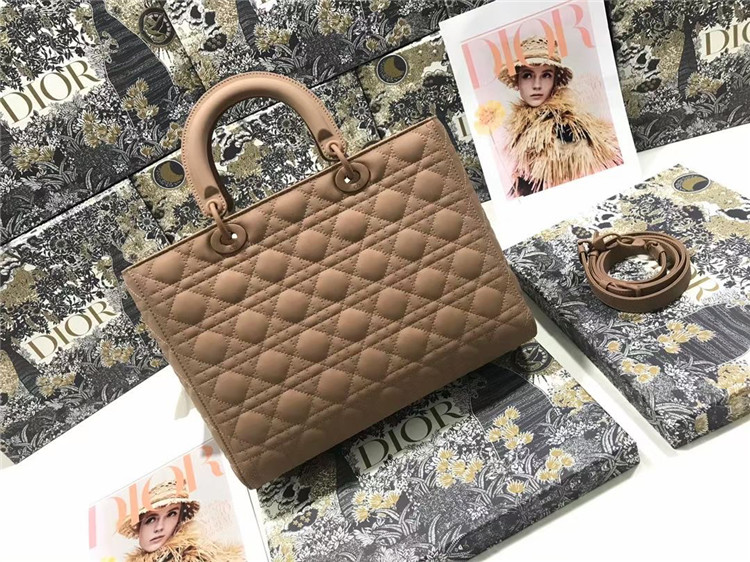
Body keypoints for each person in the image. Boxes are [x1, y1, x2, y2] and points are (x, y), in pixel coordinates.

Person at [498, 36, 623, 197]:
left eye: (546, 75)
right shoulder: (524, 128)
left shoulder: (564, 127)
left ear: (555, 81)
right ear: (518, 81)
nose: (537, 85)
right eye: (528, 75)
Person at [118, 480, 244, 562]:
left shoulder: (198, 557)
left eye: (171, 514)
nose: (159, 527)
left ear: (180, 520)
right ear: (139, 528)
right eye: (151, 519)